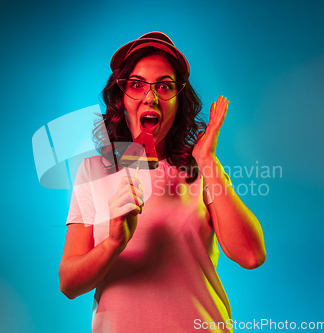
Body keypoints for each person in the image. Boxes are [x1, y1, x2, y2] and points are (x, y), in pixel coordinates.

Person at [59, 32, 266, 333]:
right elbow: (69, 283)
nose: (150, 97)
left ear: (179, 101)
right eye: (137, 85)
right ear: (121, 98)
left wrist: (208, 161)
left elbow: (251, 255)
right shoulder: (93, 172)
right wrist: (115, 242)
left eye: (165, 86)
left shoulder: (200, 170)